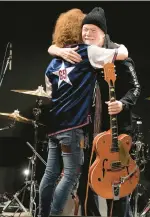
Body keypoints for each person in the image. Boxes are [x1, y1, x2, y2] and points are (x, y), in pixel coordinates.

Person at [48, 7, 141, 217]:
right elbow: (53, 47)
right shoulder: (84, 52)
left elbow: (136, 88)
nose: (86, 34)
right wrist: (58, 50)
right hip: (90, 129)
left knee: (118, 186)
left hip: (120, 131)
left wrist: (123, 103)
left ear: (103, 32)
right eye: (84, 30)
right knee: (85, 182)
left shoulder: (117, 53)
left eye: (91, 30)